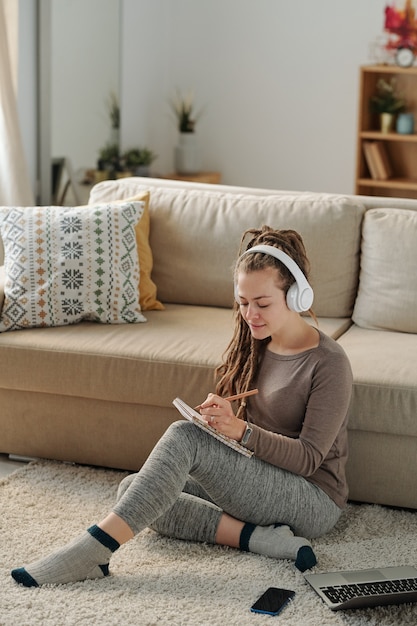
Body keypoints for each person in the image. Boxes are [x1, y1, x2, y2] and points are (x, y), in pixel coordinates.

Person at [11, 225, 353, 588]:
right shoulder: (258, 343)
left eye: (263, 303)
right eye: (243, 302)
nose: (250, 314)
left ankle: (91, 551)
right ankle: (261, 538)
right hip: (262, 479)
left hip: (312, 498)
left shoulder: (328, 363)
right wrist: (224, 424)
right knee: (135, 490)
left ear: (297, 297)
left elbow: (308, 458)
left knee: (183, 437)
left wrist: (242, 431)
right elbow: (250, 440)